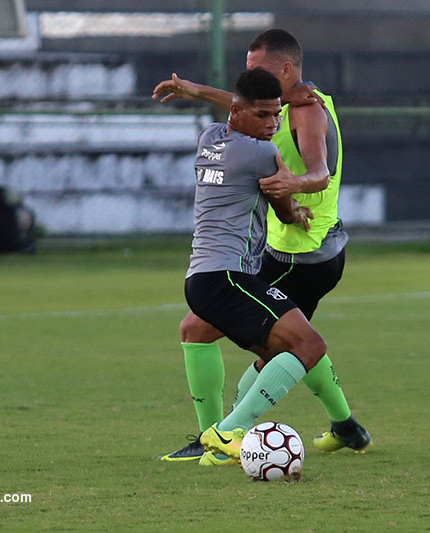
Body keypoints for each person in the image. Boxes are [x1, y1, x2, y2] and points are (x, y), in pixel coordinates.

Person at [154, 29, 371, 464]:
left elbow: (320, 173)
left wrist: (293, 184)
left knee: (290, 346)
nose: (250, 76)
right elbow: (248, 104)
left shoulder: (304, 111)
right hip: (283, 249)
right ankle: (343, 426)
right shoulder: (279, 110)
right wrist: (198, 91)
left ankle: (221, 436)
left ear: (286, 69)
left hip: (303, 253)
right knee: (261, 339)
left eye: (259, 70)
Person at [175, 66, 328, 462]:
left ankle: (214, 446)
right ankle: (226, 432)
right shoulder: (262, 154)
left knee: (284, 352)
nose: (273, 124)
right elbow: (285, 207)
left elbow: (237, 105)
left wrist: (200, 91)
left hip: (202, 278)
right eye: (263, 115)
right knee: (308, 345)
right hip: (229, 277)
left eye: (276, 115)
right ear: (237, 111)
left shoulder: (209, 137)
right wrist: (296, 210)